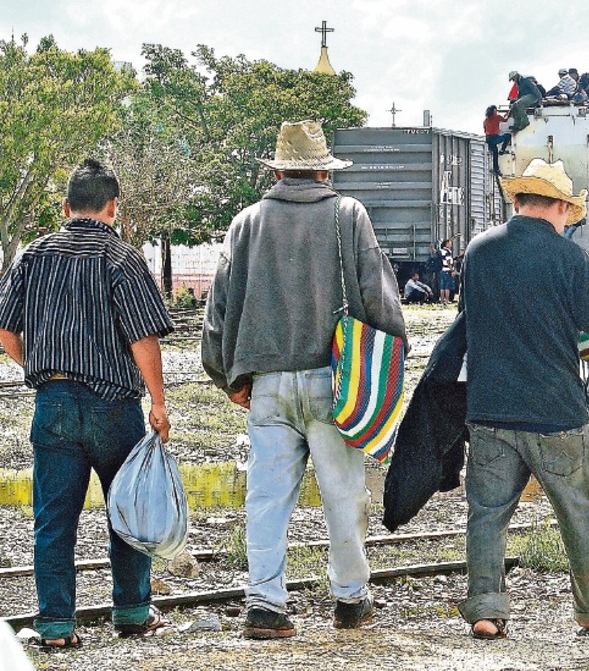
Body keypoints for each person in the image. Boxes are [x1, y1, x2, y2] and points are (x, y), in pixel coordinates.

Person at [202, 120, 408, 639]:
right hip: (333, 381)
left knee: (267, 498)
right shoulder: (348, 214)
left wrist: (230, 377)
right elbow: (380, 298)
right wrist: (381, 369)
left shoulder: (245, 222)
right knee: (343, 494)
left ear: (277, 169)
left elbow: (217, 313)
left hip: (266, 384)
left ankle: (265, 605)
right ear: (322, 169)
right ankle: (351, 600)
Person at [457, 158, 589, 639]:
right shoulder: (564, 255)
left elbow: (469, 319)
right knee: (578, 511)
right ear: (559, 207)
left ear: (518, 200)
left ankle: (486, 610)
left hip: (488, 407)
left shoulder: (479, 250)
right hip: (554, 412)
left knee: (487, 514)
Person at [0, 158, 174, 647]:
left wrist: (38, 367)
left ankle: (55, 625)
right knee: (127, 509)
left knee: (52, 520)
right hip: (113, 405)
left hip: (52, 403)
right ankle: (133, 612)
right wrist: (158, 403)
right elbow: (144, 338)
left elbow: (4, 329)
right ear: (112, 207)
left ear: (65, 206)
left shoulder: (32, 255)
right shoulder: (122, 258)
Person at [483, 105, 511, 177]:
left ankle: (496, 169)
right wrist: (508, 114)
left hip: (488, 139)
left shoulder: (485, 120)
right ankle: (502, 150)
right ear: (494, 111)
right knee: (508, 136)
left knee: (495, 154)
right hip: (494, 138)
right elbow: (505, 120)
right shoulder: (497, 117)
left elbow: (485, 130)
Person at [438, 237, 459, 304]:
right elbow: (448, 262)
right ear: (446, 244)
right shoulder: (448, 252)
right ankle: (447, 300)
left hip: (442, 270)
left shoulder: (441, 250)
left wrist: (455, 237)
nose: (451, 244)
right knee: (447, 287)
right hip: (447, 270)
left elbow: (448, 240)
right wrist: (452, 270)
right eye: (450, 243)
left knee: (442, 287)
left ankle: (442, 301)